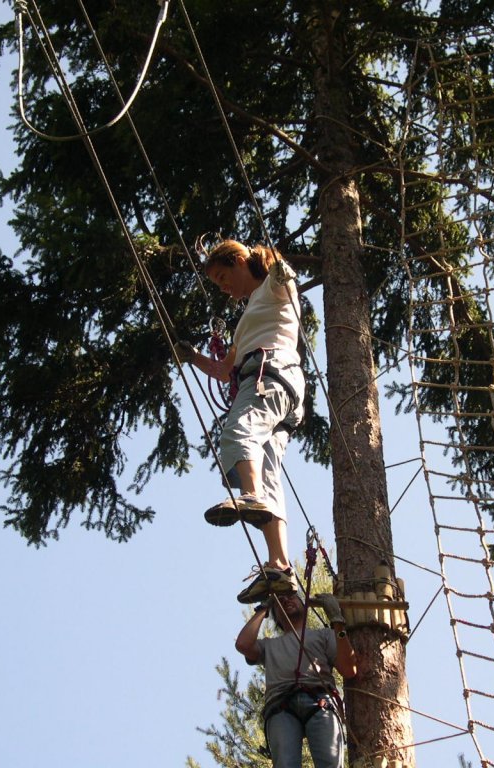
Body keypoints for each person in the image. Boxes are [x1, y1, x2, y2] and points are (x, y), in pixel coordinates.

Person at [175, 239, 305, 603]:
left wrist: (268, 258)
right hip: (279, 385)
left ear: (238, 261)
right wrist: (192, 356)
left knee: (237, 431)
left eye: (222, 277)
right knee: (266, 474)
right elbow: (222, 369)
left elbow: (283, 272)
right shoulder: (245, 322)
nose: (223, 288)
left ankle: (249, 498)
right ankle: (279, 565)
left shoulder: (274, 286)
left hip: (269, 373)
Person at [235, 591, 357, 768]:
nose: (286, 599)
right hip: (281, 706)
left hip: (320, 701)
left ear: (305, 605)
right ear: (276, 616)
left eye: (292, 596)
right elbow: (243, 644)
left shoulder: (324, 635)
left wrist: (337, 620)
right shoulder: (268, 645)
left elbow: (348, 669)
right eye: (280, 601)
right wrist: (264, 608)